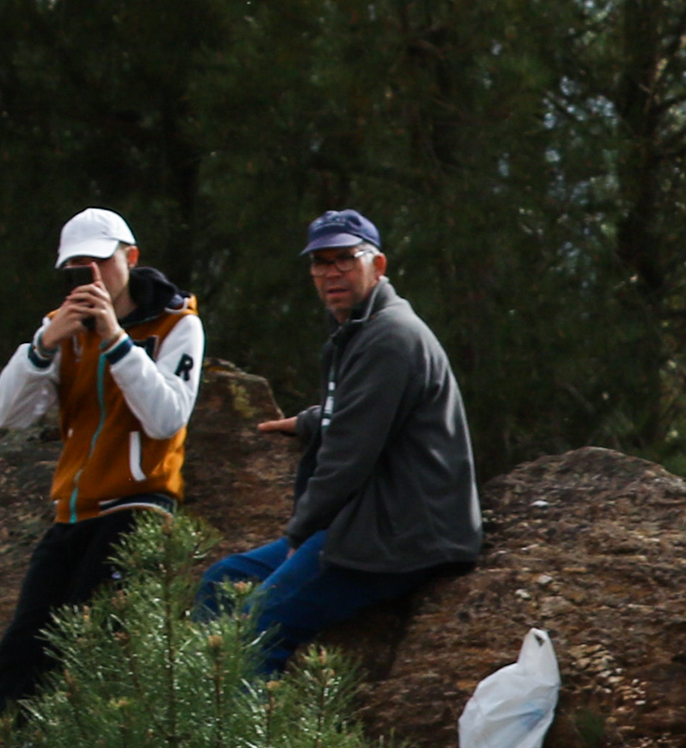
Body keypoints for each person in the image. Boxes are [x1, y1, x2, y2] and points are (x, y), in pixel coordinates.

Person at [200, 211, 479, 674]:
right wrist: (311, 422)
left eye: (345, 259)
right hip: (373, 520)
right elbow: (362, 412)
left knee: (257, 628)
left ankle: (237, 745)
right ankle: (200, 716)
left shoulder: (390, 336)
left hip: (406, 534)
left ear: (378, 264)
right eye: (320, 262)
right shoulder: (360, 330)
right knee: (223, 580)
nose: (331, 272)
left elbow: (347, 458)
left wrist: (299, 535)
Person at [0, 208, 206, 711]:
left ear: (130, 258)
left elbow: (167, 418)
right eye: (77, 269)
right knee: (22, 653)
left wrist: (117, 342)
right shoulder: (63, 329)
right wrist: (43, 345)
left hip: (137, 508)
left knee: (95, 646)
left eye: (100, 264)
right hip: (73, 510)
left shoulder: (177, 324)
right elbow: (6, 414)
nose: (92, 278)